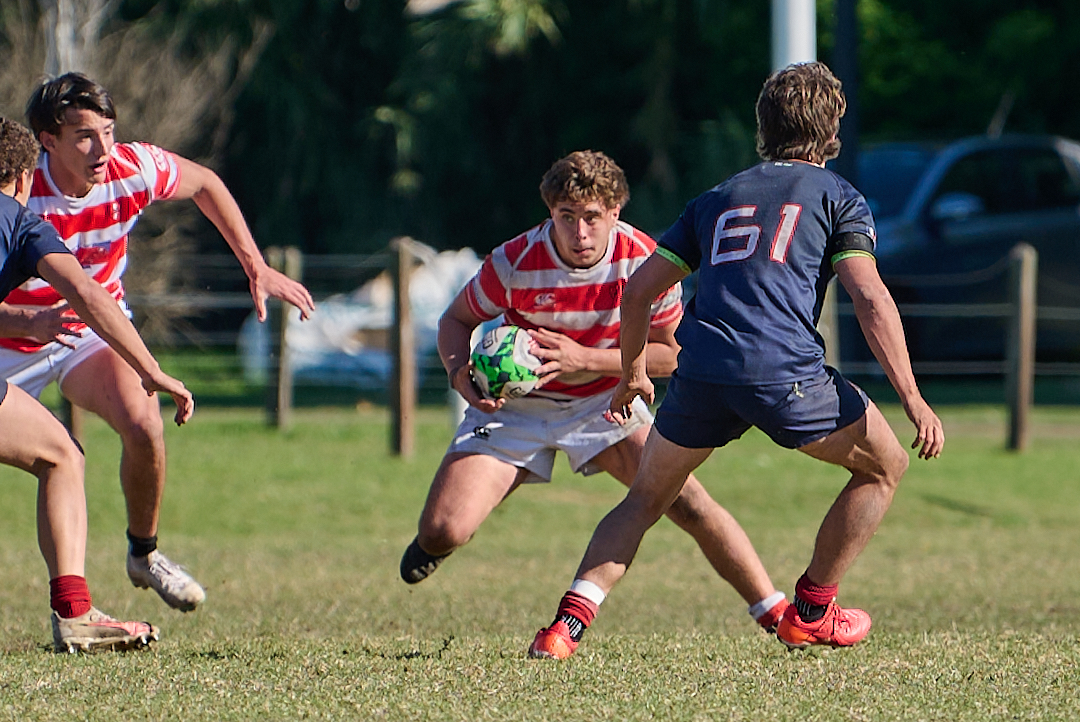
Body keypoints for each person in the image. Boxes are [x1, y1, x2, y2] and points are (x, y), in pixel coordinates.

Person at [530, 63, 945, 659]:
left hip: (701, 372)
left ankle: (561, 632)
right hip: (784, 373)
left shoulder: (716, 199)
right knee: (885, 467)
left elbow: (638, 292)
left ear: (762, 129)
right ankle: (811, 610)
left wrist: (632, 374)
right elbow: (870, 295)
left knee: (643, 500)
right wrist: (912, 398)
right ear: (832, 134)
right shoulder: (839, 198)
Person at [400, 150, 789, 642]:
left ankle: (773, 610)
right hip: (517, 408)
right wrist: (460, 373)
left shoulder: (647, 263)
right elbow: (455, 321)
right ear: (550, 215)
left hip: (606, 403)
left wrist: (585, 360)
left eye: (591, 219)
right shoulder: (514, 261)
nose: (579, 234)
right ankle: (448, 529)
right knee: (443, 531)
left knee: (688, 502)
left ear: (615, 213)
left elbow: (673, 355)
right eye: (567, 218)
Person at [0, 73, 316, 613]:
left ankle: (143, 554)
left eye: (108, 131)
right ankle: (74, 608)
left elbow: (206, 184)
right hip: (11, 337)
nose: (102, 149)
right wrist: (24, 321)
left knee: (144, 422)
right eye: (83, 136)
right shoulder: (17, 191)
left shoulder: (132, 167)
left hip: (90, 333)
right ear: (47, 141)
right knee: (59, 457)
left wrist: (254, 265)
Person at [0, 116, 195, 652]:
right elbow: (88, 293)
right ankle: (75, 614)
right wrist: (150, 370)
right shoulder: (22, 222)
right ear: (22, 177)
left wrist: (21, 324)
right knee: (62, 457)